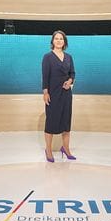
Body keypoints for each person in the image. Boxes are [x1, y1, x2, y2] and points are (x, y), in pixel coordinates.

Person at [41, 30, 76, 162]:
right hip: (53, 94)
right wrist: (45, 92)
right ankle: (48, 150)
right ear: (52, 41)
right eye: (56, 38)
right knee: (51, 122)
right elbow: (45, 76)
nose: (59, 41)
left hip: (66, 94)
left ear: (64, 42)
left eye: (61, 39)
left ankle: (65, 149)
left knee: (66, 123)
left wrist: (70, 81)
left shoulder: (69, 57)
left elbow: (72, 73)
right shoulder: (47, 57)